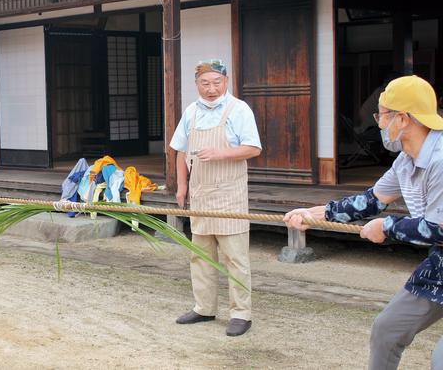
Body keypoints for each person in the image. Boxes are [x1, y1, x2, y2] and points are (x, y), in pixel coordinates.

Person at [284, 75, 443, 369]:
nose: (379, 124)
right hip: (440, 264)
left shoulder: (441, 159)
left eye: (381, 115)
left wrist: (387, 227)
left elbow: (438, 229)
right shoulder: (405, 161)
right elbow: (371, 201)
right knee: (387, 329)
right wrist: (315, 215)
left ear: (403, 119)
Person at [169, 59, 262, 337]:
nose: (211, 89)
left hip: (229, 194)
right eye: (205, 83)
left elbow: (253, 148)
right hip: (200, 194)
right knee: (200, 255)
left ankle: (241, 314)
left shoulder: (239, 109)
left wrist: (221, 153)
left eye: (216, 82)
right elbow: (181, 152)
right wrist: (182, 187)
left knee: (235, 257)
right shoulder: (191, 112)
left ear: (226, 81)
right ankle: (204, 307)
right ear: (196, 84)